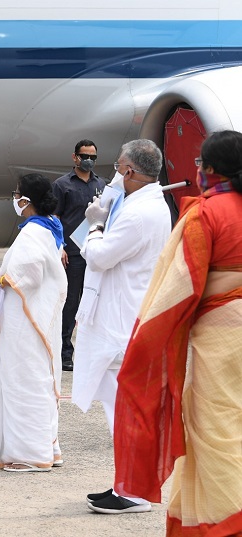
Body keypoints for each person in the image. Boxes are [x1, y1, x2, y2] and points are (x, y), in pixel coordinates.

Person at [112, 130, 242, 535]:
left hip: (221, 339)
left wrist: (146, 344)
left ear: (213, 168)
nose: (198, 170)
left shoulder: (205, 214)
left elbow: (176, 290)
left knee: (217, 429)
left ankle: (227, 521)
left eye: (201, 163)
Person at [72, 139, 171, 513]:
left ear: (130, 171)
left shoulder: (140, 213)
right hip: (122, 315)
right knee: (121, 411)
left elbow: (99, 257)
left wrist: (95, 226)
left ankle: (133, 491)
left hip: (121, 322)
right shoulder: (140, 202)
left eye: (118, 167)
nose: (114, 172)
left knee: (126, 414)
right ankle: (125, 484)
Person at [0, 173, 67, 471]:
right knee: (35, 377)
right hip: (35, 317)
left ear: (26, 200)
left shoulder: (31, 234)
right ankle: (45, 447)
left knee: (22, 380)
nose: (14, 198)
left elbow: (30, 275)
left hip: (25, 321)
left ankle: (30, 454)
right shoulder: (51, 227)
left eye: (16, 193)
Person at [52, 140, 107, 371]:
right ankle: (65, 351)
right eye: (85, 156)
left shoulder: (101, 184)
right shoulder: (62, 185)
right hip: (73, 253)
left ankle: (91, 352)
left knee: (95, 302)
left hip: (96, 252)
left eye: (93, 157)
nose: (89, 161)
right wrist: (59, 246)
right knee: (71, 303)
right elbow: (54, 217)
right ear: (74, 157)